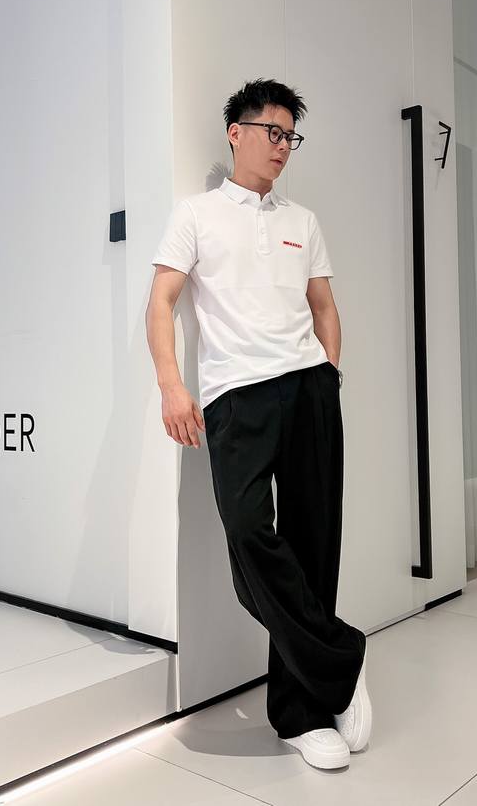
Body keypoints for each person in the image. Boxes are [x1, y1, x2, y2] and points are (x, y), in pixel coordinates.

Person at [145, 78, 372, 770]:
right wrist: (172, 386)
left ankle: (302, 715)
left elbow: (325, 306)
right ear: (235, 133)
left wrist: (328, 376)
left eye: (290, 137)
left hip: (309, 391)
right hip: (235, 397)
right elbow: (161, 301)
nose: (283, 147)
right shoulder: (195, 214)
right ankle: (341, 657)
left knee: (312, 547)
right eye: (272, 132)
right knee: (249, 536)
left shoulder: (302, 220)